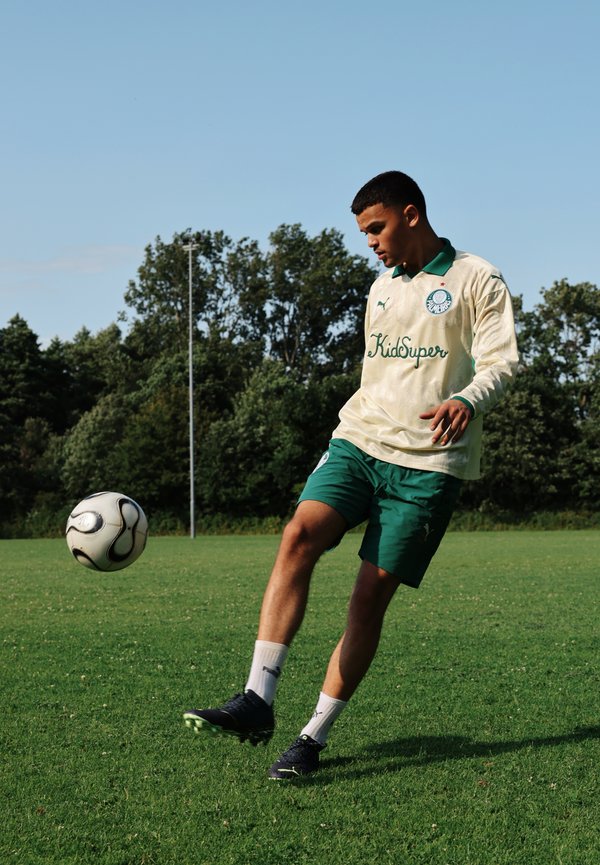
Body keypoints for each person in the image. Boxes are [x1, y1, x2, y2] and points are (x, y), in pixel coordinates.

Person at [184, 170, 519, 779]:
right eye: (364, 232)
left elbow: (502, 362)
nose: (370, 242)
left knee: (367, 599)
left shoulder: (477, 278)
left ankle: (311, 739)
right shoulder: (381, 286)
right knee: (298, 535)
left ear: (411, 215)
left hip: (428, 465)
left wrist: (466, 399)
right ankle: (257, 698)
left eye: (376, 228)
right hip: (359, 442)